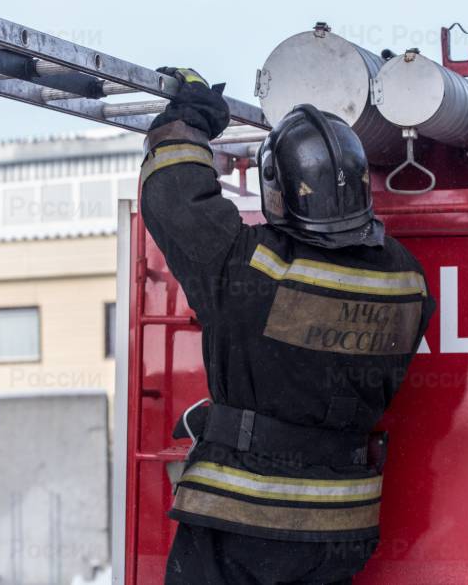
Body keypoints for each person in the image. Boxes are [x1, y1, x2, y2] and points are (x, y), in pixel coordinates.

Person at [141, 67, 435, 585]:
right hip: (342, 530)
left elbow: (174, 195)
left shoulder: (249, 268)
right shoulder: (406, 277)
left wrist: (190, 118)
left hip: (244, 524)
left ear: (280, 192)